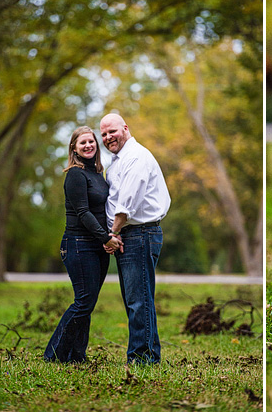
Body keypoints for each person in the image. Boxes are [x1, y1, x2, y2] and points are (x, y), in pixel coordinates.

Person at [45, 126, 124, 363]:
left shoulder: (97, 174)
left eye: (91, 141)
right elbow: (82, 212)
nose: (88, 145)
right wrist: (106, 237)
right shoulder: (75, 174)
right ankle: (55, 354)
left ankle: (77, 355)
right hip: (78, 244)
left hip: (97, 246)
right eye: (82, 143)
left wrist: (110, 235)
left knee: (87, 303)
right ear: (74, 148)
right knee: (83, 301)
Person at [99, 113, 171, 364]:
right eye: (104, 134)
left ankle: (142, 358)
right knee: (137, 298)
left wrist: (113, 233)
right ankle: (148, 354)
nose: (108, 138)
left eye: (112, 132)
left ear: (125, 129)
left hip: (139, 234)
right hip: (132, 235)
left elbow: (126, 205)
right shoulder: (118, 162)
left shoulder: (136, 157)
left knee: (138, 300)